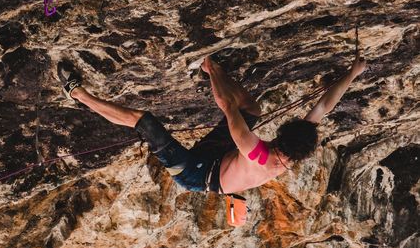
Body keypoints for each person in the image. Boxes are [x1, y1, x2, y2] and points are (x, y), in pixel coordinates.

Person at [57, 54, 367, 195]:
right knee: (254, 108)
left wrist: (211, 70)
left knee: (144, 122)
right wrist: (352, 74)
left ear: (281, 143)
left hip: (197, 173)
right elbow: (324, 106)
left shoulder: (256, 153)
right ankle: (212, 66)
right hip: (221, 157)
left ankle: (78, 94)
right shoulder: (294, 148)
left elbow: (226, 104)